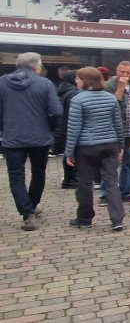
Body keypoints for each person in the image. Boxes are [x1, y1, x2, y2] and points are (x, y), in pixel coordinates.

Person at [0, 52, 63, 231]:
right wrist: (49, 128)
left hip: (13, 137)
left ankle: (27, 212)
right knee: (38, 172)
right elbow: (56, 111)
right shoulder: (45, 84)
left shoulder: (2, 82)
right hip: (40, 138)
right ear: (37, 66)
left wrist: (5, 128)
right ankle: (32, 205)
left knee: (16, 176)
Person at [65, 67, 126, 231]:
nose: (76, 81)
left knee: (84, 184)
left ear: (86, 81)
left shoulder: (78, 100)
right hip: (110, 144)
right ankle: (117, 219)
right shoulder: (111, 98)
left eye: (78, 78)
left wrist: (69, 151)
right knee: (111, 182)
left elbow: (74, 128)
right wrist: (121, 145)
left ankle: (85, 219)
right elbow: (118, 123)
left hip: (87, 146)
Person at [102, 61, 130, 204]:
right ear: (116, 71)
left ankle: (125, 192)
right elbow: (111, 105)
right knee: (111, 164)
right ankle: (105, 195)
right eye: (121, 71)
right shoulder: (108, 85)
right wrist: (120, 88)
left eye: (127, 72)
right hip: (115, 131)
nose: (124, 75)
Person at [53, 71, 80, 189]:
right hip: (69, 126)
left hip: (62, 126)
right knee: (72, 153)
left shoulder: (62, 89)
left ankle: (69, 179)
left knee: (67, 152)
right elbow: (73, 112)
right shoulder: (73, 93)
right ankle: (71, 179)